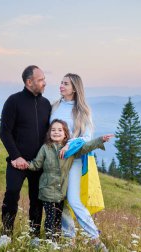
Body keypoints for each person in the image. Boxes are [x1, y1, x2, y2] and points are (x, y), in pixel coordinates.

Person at [13, 119, 113, 242]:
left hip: (61, 192)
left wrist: (100, 140)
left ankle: (55, 241)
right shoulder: (45, 148)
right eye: (53, 130)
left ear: (65, 134)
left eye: (60, 130)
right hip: (47, 190)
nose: (56, 132)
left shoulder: (70, 151)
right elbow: (36, 164)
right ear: (49, 133)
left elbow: (86, 147)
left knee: (58, 218)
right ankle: (50, 242)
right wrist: (24, 164)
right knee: (50, 218)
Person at [51, 73, 108, 251]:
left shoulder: (83, 111)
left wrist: (69, 146)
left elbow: (86, 138)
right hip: (53, 159)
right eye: (61, 82)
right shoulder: (55, 106)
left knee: (74, 200)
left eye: (65, 84)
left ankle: (96, 241)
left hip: (73, 160)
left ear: (75, 88)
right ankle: (68, 239)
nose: (61, 86)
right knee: (60, 198)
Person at [0, 65, 51, 245]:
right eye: (41, 79)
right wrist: (16, 156)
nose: (45, 83)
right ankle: (6, 234)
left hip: (38, 164)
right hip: (17, 162)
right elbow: (5, 132)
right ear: (29, 82)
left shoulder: (46, 104)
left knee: (37, 200)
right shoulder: (13, 101)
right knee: (11, 194)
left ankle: (34, 236)